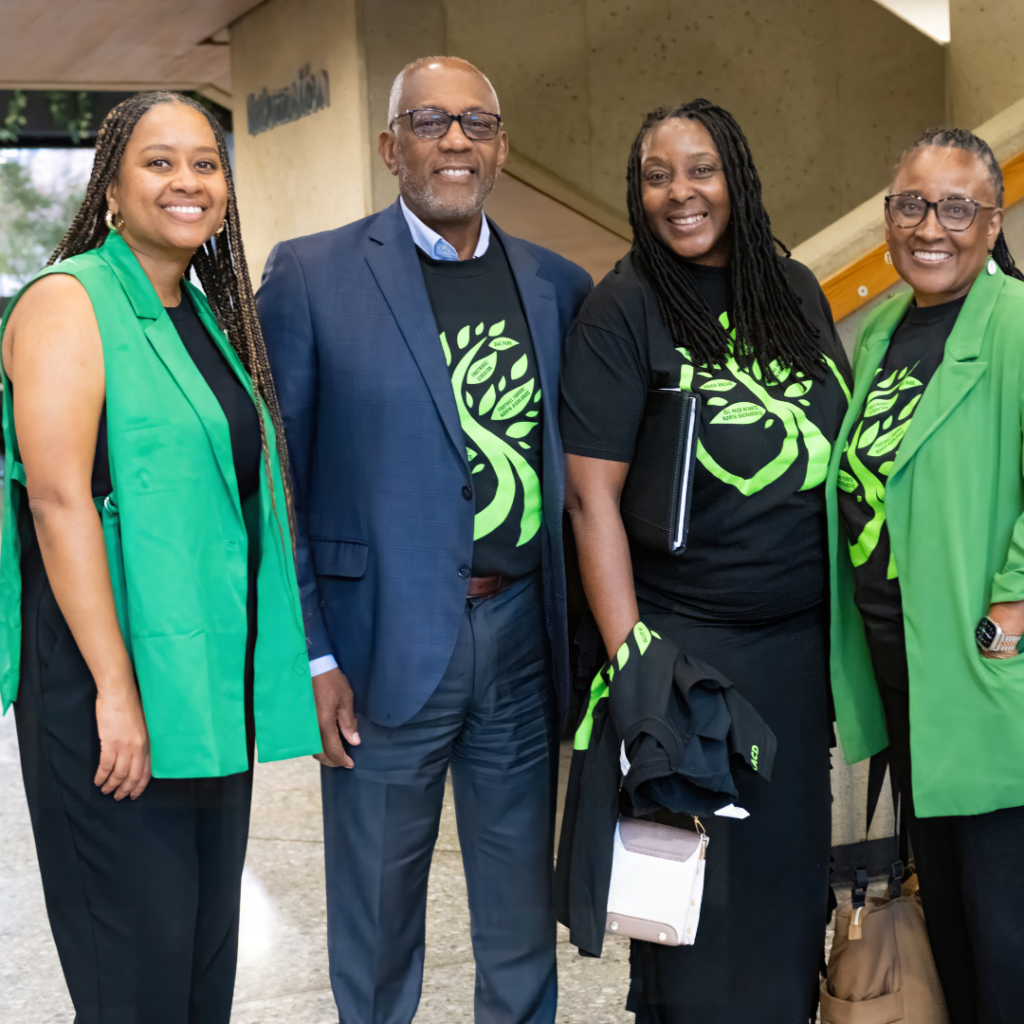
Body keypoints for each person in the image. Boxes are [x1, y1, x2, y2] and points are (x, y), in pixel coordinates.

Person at [257, 56, 591, 1024]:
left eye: (476, 125)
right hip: (378, 643)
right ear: (389, 142)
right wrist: (313, 653)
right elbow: (281, 477)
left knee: (520, 906)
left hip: (520, 636)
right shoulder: (314, 273)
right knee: (375, 909)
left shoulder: (557, 284)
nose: (455, 142)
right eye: (432, 122)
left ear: (502, 147)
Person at [0, 92, 321, 1023]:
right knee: (133, 981)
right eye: (158, 161)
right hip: (108, 696)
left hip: (201, 700)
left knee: (196, 976)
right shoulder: (69, 302)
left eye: (206, 163)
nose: (187, 180)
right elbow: (58, 502)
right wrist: (115, 692)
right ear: (110, 190)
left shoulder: (201, 315)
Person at [559, 98, 852, 1022]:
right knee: (695, 910)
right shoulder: (625, 308)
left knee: (788, 893)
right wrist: (633, 658)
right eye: (657, 175)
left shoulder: (792, 288)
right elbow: (589, 498)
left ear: (738, 178)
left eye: (701, 170)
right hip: (688, 660)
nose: (680, 193)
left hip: (799, 654)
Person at [830, 127, 1024, 1024]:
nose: (931, 226)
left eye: (957, 207)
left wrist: (1010, 614)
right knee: (946, 914)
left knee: (1006, 932)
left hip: (986, 681)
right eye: (912, 204)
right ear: (886, 219)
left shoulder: (1016, 325)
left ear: (990, 224)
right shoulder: (882, 334)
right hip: (905, 675)